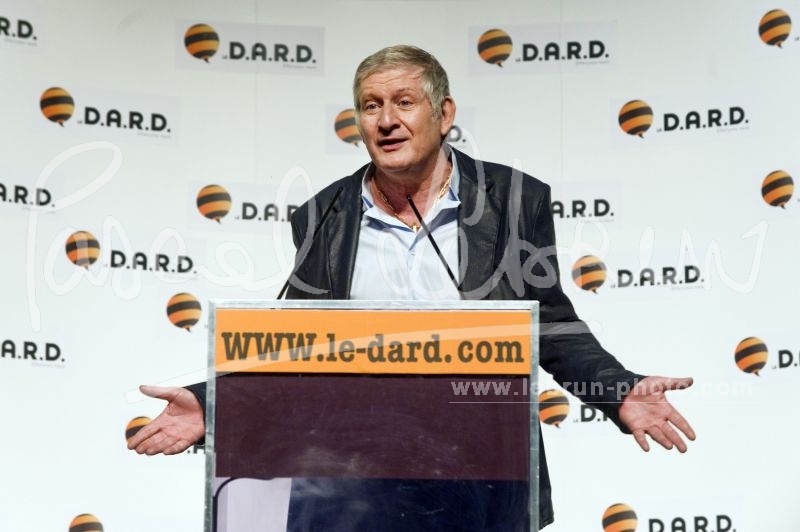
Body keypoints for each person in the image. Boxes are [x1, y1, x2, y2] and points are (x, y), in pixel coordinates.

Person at [128, 45, 695, 529]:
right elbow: (294, 348)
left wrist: (618, 390)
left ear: (444, 113)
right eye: (371, 106)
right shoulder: (324, 216)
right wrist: (213, 403)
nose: (386, 121)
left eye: (404, 102)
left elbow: (547, 322)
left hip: (482, 479)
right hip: (351, 486)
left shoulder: (513, 201)